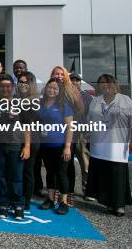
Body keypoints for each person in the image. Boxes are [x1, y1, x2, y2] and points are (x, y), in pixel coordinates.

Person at [86, 74, 132, 217]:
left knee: (117, 175)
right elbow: (89, 121)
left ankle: (119, 205)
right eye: (101, 83)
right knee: (103, 174)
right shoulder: (95, 101)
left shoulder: (125, 100)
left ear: (114, 84)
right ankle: (108, 203)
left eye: (107, 82)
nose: (104, 85)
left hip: (117, 146)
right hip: (98, 145)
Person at [0, 74, 30, 221]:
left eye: (8, 86)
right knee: (1, 176)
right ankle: (3, 203)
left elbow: (27, 126)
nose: (5, 89)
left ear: (13, 87)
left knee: (16, 177)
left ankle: (18, 205)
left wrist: (27, 146)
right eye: (2, 86)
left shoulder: (20, 103)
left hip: (16, 145)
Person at [37, 78, 74, 215]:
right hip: (45, 146)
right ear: (46, 88)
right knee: (50, 173)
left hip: (60, 145)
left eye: (55, 88)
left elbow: (70, 127)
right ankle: (50, 199)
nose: (52, 90)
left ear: (59, 91)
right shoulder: (40, 103)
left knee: (61, 173)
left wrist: (67, 147)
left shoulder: (64, 105)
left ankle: (63, 202)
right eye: (50, 87)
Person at [50, 65, 84, 206]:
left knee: (67, 163)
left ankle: (68, 192)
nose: (58, 76)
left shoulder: (72, 90)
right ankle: (56, 191)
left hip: (70, 131)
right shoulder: (50, 88)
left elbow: (81, 110)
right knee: (54, 165)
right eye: (56, 74)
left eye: (61, 74)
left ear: (65, 76)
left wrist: (69, 120)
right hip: (53, 132)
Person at [17, 71, 41, 210]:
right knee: (20, 170)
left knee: (27, 171)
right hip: (19, 139)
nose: (23, 84)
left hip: (31, 140)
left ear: (31, 84)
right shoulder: (19, 98)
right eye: (21, 82)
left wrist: (27, 146)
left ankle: (26, 201)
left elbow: (28, 124)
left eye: (26, 82)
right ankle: (19, 197)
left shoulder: (33, 100)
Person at [69, 73, 94, 199]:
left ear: (80, 82)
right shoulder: (65, 96)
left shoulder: (88, 98)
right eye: (72, 80)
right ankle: (68, 190)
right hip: (66, 134)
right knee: (67, 164)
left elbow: (92, 116)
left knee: (86, 164)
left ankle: (87, 191)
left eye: (77, 80)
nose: (74, 82)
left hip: (81, 135)